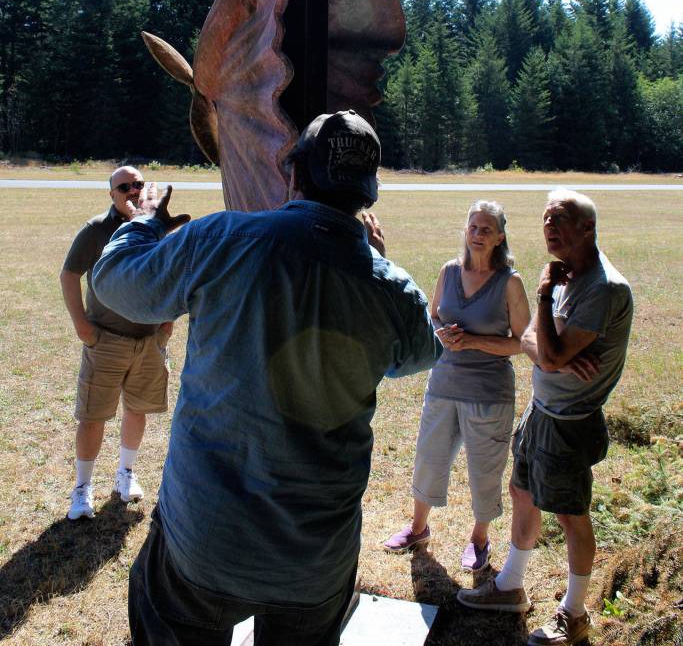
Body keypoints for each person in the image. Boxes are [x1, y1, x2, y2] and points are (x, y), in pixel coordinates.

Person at [91, 110, 442, 646]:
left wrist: (142, 221)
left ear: (295, 174)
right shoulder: (392, 288)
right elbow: (419, 353)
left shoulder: (224, 238)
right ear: (368, 193)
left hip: (204, 542)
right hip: (314, 561)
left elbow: (115, 285)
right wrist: (377, 266)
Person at [458, 189, 634, 646]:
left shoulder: (600, 287)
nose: (550, 228)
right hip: (543, 409)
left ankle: (574, 613)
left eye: (562, 219)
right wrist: (547, 349)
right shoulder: (568, 276)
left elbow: (544, 350)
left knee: (571, 514)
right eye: (545, 220)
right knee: (521, 491)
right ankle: (511, 586)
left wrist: (541, 301)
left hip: (569, 421)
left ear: (588, 229)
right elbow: (535, 345)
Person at [384, 200, 530, 570]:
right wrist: (440, 333)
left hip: (488, 394)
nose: (478, 235)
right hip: (443, 383)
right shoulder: (449, 271)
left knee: (485, 470)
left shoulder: (509, 282)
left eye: (486, 229)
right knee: (428, 461)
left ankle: (479, 539)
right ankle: (418, 527)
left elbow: (523, 341)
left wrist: (475, 341)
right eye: (473, 227)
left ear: (499, 237)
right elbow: (433, 315)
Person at [60, 166, 175, 521]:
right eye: (123, 186)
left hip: (149, 340)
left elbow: (171, 273)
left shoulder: (159, 228)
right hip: (105, 339)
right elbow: (69, 274)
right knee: (93, 416)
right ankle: (82, 489)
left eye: (138, 184)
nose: (132, 190)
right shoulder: (97, 230)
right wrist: (82, 326)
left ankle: (125, 475)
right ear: (111, 194)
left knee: (137, 410)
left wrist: (166, 323)